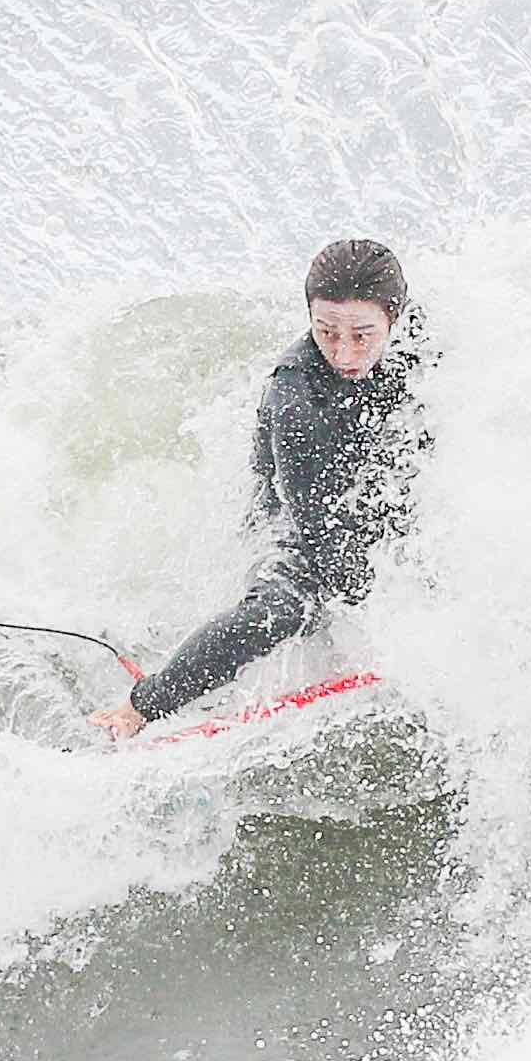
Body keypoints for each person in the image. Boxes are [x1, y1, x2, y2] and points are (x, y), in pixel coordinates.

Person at [89, 238, 427, 740]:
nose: (343, 353)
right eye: (326, 332)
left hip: (365, 485)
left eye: (362, 335)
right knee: (283, 611)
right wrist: (385, 612)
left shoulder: (424, 347)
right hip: (292, 521)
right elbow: (321, 539)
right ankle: (141, 706)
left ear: (394, 317)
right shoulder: (296, 402)